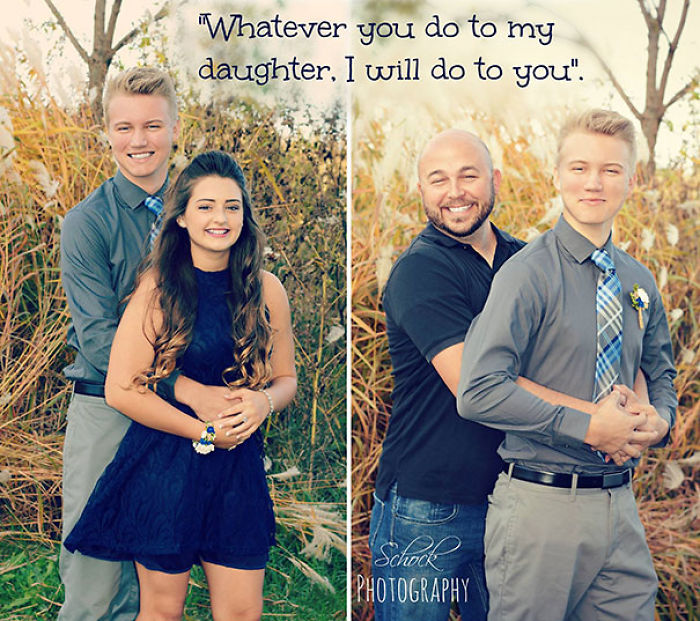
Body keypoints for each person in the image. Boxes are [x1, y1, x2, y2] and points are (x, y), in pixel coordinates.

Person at [457, 109, 676, 621]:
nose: (593, 183)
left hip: (621, 508)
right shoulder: (526, 274)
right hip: (541, 506)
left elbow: (661, 372)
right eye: (579, 168)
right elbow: (479, 389)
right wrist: (587, 426)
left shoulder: (639, 280)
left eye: (610, 170)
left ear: (631, 180)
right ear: (556, 175)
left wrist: (660, 420)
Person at [59, 67, 257, 620]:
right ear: (107, 132)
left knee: (159, 584)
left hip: (184, 431)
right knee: (97, 585)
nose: (138, 140)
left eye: (151, 125)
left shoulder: (208, 209)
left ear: (175, 126)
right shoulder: (86, 224)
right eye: (124, 127)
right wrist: (187, 388)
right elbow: (99, 339)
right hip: (109, 407)